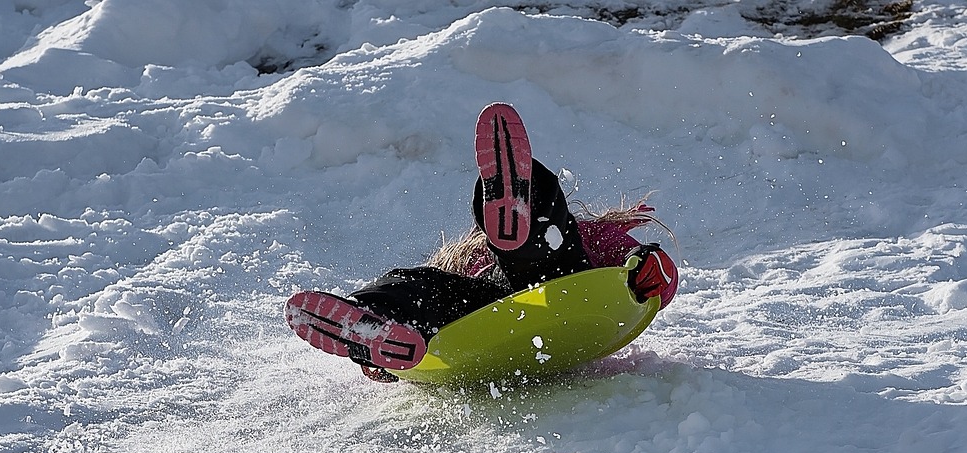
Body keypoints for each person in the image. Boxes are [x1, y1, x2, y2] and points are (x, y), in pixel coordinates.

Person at [286, 102, 679, 382]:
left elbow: (643, 269)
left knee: (542, 253)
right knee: (422, 286)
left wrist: (651, 274)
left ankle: (525, 214)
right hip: (489, 313)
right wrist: (386, 362)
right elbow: (442, 294)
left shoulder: (591, 236)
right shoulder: (469, 260)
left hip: (566, 283)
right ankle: (374, 323)